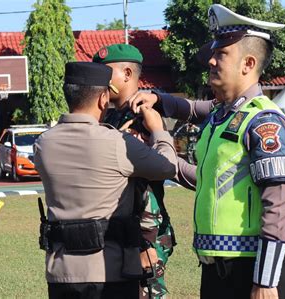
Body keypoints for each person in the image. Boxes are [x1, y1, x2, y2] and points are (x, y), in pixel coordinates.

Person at [129, 4, 285, 299]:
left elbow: (280, 204)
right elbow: (192, 110)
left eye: (221, 54)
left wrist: (266, 280)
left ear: (247, 64)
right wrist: (157, 98)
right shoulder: (223, 114)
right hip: (215, 269)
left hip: (251, 272)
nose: (210, 61)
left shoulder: (264, 122)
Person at [34, 61, 178, 299]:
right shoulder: (117, 142)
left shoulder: (43, 144)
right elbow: (168, 167)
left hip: (61, 273)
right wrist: (159, 132)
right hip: (110, 271)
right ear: (103, 98)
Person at [93, 43, 175, 299]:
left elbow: (147, 187)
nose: (99, 80)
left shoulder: (145, 116)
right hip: (118, 233)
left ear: (127, 74)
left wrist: (148, 243)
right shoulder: (111, 118)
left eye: (105, 73)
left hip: (142, 236)